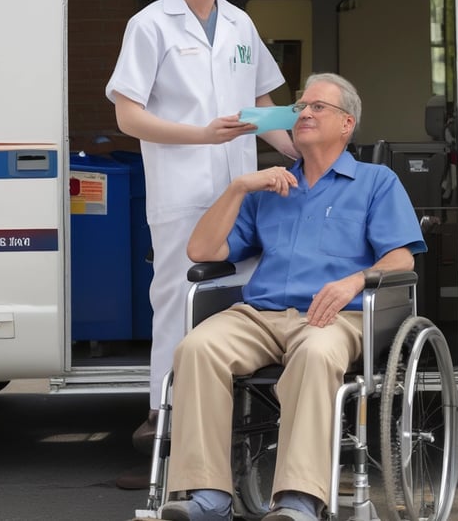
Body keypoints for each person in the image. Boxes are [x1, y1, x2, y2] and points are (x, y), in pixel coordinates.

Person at [154, 73, 426, 521]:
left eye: (318, 106)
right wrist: (239, 187)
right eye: (300, 107)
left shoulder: (375, 181)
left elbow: (401, 259)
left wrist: (353, 281)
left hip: (334, 315)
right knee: (196, 348)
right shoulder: (270, 187)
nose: (304, 113)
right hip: (260, 314)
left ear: (347, 124)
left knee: (315, 355)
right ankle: (207, 497)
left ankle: (299, 500)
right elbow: (201, 251)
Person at [105, 0, 298, 454]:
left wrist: (300, 153)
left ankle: (237, 421)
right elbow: (128, 116)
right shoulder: (150, 24)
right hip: (184, 192)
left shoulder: (240, 23)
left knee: (244, 299)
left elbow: (261, 107)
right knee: (179, 300)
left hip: (242, 191)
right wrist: (202, 136)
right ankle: (164, 422)